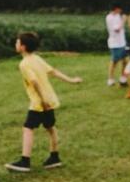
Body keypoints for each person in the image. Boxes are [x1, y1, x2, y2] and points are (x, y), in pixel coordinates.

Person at [5, 31, 82, 172]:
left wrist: (42, 100)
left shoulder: (24, 64)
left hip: (39, 103)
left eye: (17, 42)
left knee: (28, 128)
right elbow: (53, 72)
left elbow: (34, 82)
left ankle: (25, 161)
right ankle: (54, 157)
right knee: (50, 127)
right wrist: (71, 80)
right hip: (49, 100)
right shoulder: (37, 59)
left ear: (22, 47)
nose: (15, 44)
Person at [105, 2, 128, 87]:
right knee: (114, 61)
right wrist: (124, 21)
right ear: (116, 9)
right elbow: (117, 29)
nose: (121, 10)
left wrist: (122, 19)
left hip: (122, 42)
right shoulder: (109, 17)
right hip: (115, 44)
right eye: (119, 9)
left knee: (125, 61)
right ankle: (110, 79)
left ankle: (123, 79)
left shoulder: (118, 16)